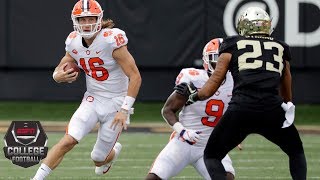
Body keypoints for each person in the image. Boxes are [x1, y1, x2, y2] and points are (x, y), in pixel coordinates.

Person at [186, 7, 307, 180]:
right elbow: (286, 85)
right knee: (296, 152)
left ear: (243, 25)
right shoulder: (280, 47)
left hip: (241, 109)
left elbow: (213, 84)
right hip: (271, 109)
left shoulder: (231, 44)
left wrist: (195, 96)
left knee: (212, 156)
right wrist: (286, 105)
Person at [32, 0, 141, 179]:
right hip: (92, 98)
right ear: (75, 21)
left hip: (116, 102)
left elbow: (135, 76)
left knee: (98, 158)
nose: (86, 23)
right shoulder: (74, 41)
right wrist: (56, 75)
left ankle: (111, 154)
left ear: (99, 19)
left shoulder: (111, 40)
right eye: (82, 19)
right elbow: (65, 62)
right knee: (68, 140)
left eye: (90, 18)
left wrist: (124, 110)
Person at [146, 38, 235, 180]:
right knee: (154, 178)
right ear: (206, 60)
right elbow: (167, 110)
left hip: (212, 146)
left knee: (227, 177)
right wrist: (182, 131)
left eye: (224, 59)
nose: (220, 64)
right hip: (184, 142)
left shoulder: (235, 81)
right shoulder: (193, 78)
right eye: (216, 59)